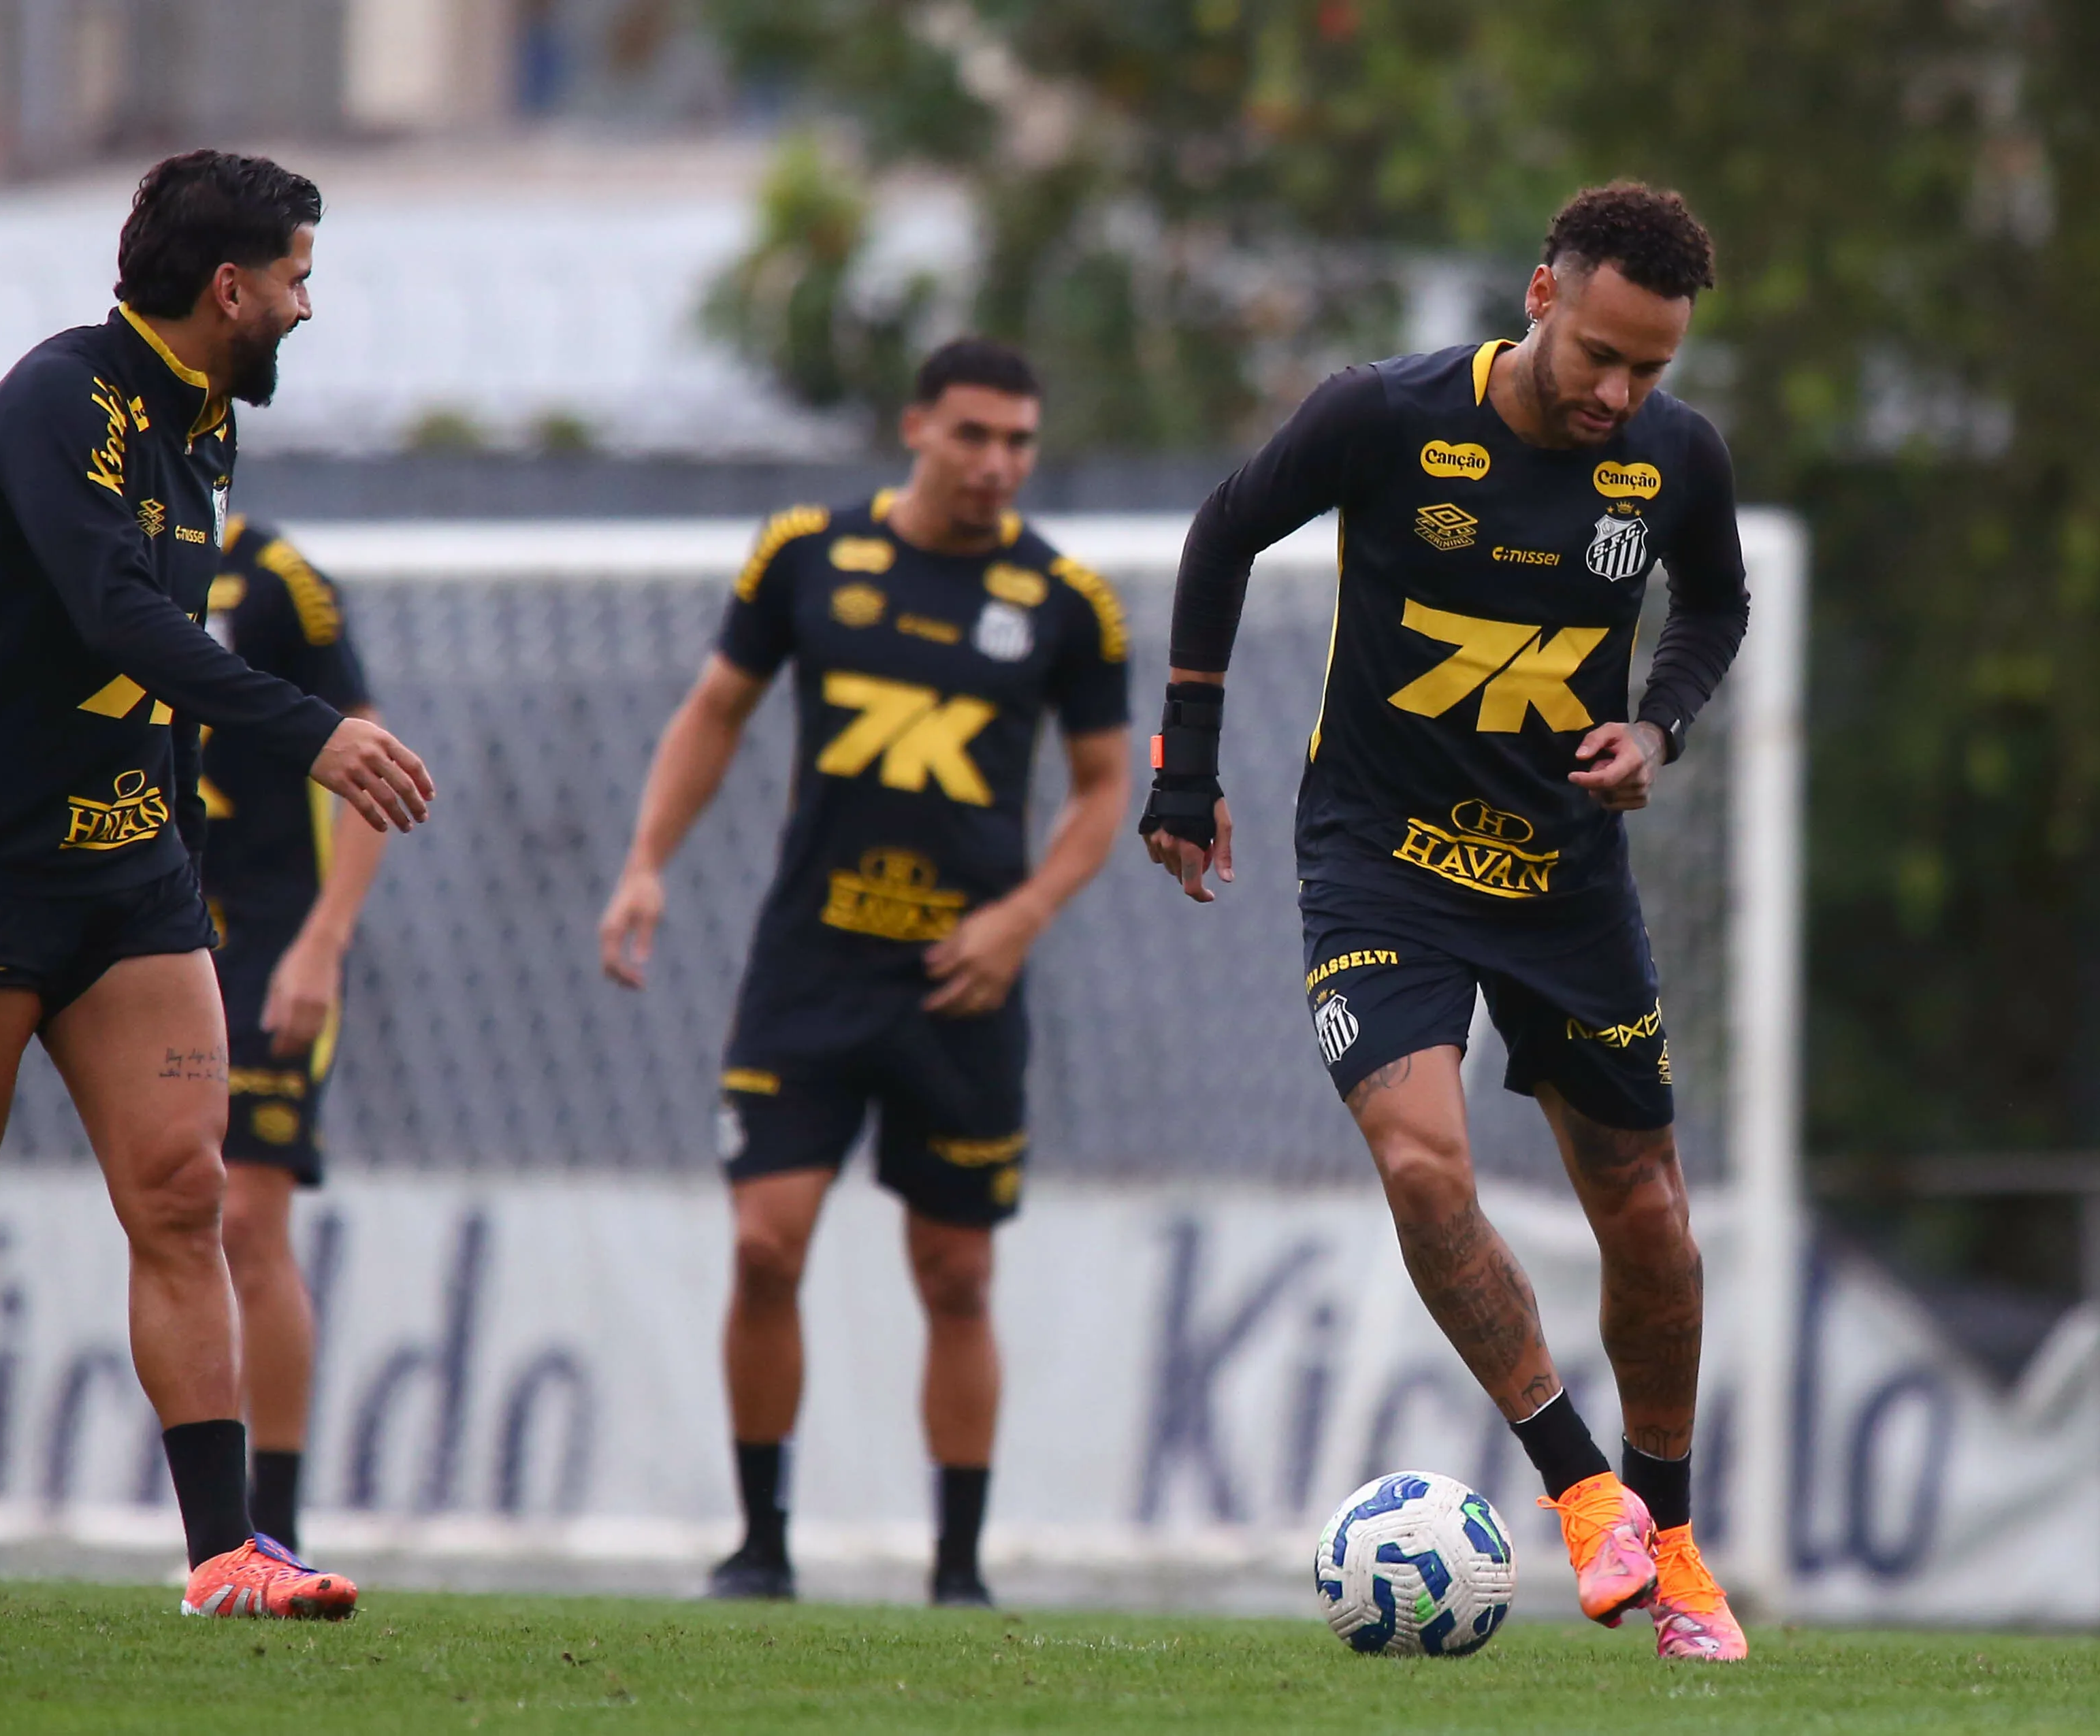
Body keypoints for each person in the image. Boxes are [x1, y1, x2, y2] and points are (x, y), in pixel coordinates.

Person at [0, 151, 433, 1617]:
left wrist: (183, 863)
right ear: (230, 288)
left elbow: (165, 677)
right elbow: (117, 617)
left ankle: (224, 1551)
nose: (306, 306)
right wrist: (317, 735)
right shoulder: (60, 398)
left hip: (132, 871)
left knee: (184, 1191)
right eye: (298, 278)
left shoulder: (205, 426)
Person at [1142, 183, 1750, 1661]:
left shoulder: (1672, 459)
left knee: (1651, 1222)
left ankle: (1670, 1542)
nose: (1619, 392)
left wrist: (1656, 732)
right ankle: (1577, 1488)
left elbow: (1714, 608)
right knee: (1421, 1169)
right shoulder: (1383, 416)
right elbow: (1221, 537)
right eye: (1601, 353)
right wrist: (1188, 765)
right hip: (1380, 863)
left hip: (1561, 877)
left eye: (1649, 368)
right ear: (1540, 295)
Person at [599, 338, 1132, 1608]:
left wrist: (1023, 917)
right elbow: (716, 709)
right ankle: (760, 1544)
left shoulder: (1065, 599)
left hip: (962, 986)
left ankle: (956, 1567)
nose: (997, 463)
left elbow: (1106, 787)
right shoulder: (805, 554)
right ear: (915, 429)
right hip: (811, 967)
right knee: (765, 1244)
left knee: (956, 1273)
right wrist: (644, 864)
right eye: (973, 436)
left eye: (1018, 441)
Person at [199, 517, 389, 1556]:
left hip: (266, 942)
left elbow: (373, 758)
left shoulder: (275, 579)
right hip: (147, 931)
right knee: (176, 1211)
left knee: (249, 1222)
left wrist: (324, 939)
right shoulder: (103, 555)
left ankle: (270, 1528)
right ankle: (212, 1520)